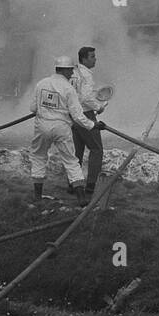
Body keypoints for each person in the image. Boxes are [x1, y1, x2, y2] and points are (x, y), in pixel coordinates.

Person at [29, 55, 100, 208]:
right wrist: (93, 125)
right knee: (71, 161)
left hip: (42, 125)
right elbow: (78, 116)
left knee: (38, 157)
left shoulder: (41, 83)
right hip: (61, 127)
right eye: (71, 71)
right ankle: (81, 198)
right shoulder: (68, 88)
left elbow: (33, 108)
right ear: (66, 70)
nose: (72, 74)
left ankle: (37, 196)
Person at [70, 45, 108, 202]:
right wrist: (99, 107)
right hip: (85, 114)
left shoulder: (72, 72)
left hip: (73, 115)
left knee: (76, 152)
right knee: (96, 149)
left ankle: (73, 184)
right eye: (92, 56)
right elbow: (85, 98)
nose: (95, 59)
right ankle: (91, 186)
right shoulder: (87, 75)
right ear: (84, 59)